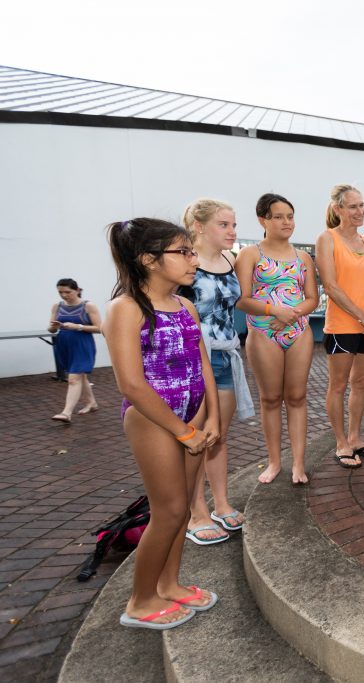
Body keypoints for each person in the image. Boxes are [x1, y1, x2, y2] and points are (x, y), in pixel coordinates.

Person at [104, 218, 218, 630]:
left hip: (194, 418)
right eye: (183, 252)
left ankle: (168, 584)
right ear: (149, 260)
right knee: (167, 510)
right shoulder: (127, 309)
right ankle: (140, 600)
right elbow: (131, 383)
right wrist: (183, 431)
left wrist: (212, 418)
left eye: (192, 251)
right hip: (153, 419)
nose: (193, 259)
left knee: (183, 510)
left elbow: (202, 363)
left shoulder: (186, 306)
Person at [179, 199, 254, 545]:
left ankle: (221, 502)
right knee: (195, 438)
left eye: (233, 225)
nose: (232, 231)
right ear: (199, 225)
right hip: (194, 359)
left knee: (218, 435)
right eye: (224, 225)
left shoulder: (230, 259)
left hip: (225, 355)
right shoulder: (184, 262)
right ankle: (196, 513)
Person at [236, 194, 318, 484]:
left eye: (290, 216)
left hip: (298, 331)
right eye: (279, 216)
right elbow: (242, 300)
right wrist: (274, 311)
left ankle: (298, 464)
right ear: (263, 220)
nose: (287, 222)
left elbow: (312, 298)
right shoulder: (250, 254)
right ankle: (273, 462)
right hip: (263, 333)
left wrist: (291, 314)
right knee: (270, 399)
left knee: (297, 397)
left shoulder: (304, 257)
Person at [315, 184, 364, 469]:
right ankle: (341, 442)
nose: (360, 211)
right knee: (339, 386)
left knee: (361, 384)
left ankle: (355, 438)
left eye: (362, 205)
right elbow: (331, 286)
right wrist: (363, 318)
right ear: (338, 209)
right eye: (353, 206)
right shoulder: (327, 239)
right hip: (342, 326)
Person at [48, 278, 102, 422]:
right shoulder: (57, 306)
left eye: (68, 292)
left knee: (73, 378)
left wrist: (77, 326)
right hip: (63, 343)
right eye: (60, 292)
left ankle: (66, 413)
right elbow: (50, 328)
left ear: (77, 290)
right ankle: (92, 403)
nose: (64, 295)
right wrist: (54, 327)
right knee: (80, 375)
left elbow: (99, 328)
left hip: (82, 344)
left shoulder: (88, 306)